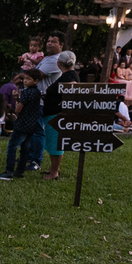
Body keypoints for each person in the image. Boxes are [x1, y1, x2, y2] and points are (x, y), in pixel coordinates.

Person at [0, 68, 44, 180]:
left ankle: (9, 171)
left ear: (36, 81)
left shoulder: (26, 92)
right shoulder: (37, 92)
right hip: (32, 124)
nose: (25, 81)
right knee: (25, 149)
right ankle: (20, 171)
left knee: (12, 146)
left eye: (28, 79)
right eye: (25, 78)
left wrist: (17, 101)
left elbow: (18, 109)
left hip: (22, 123)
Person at [41, 51, 79, 180]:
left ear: (59, 63)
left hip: (56, 115)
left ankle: (54, 172)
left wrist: (66, 99)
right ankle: (52, 168)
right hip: (52, 113)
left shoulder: (70, 76)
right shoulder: (67, 74)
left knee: (55, 143)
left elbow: (74, 87)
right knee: (52, 142)